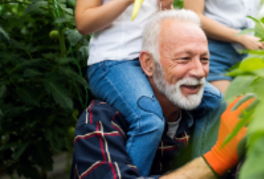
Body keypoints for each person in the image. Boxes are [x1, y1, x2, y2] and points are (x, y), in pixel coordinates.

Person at [74, 0, 219, 175]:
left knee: (213, 102)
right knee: (150, 120)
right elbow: (84, 22)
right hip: (112, 65)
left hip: (147, 64)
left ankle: (200, 168)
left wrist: (166, 7)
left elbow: (157, 30)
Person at [70, 10, 254, 178]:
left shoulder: (208, 116)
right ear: (149, 64)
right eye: (184, 59)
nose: (199, 71)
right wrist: (215, 160)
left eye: (204, 59)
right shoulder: (100, 123)